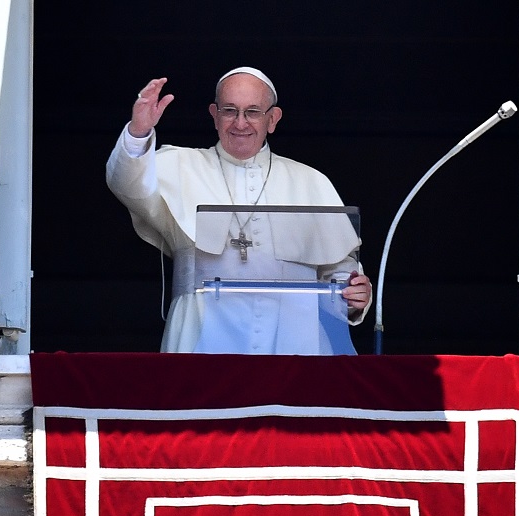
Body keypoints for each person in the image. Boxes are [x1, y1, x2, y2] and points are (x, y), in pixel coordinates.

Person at [106, 66, 372, 353]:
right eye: (230, 110)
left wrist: (351, 296)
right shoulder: (178, 165)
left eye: (253, 112)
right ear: (214, 115)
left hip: (295, 339)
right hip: (202, 337)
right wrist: (139, 131)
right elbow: (127, 184)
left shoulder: (310, 181)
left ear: (273, 119)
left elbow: (338, 270)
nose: (240, 123)